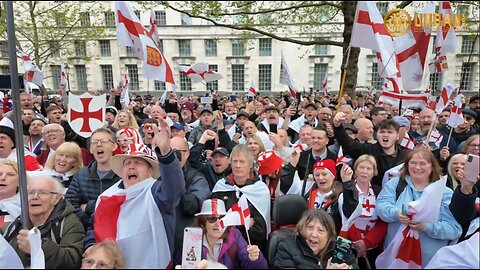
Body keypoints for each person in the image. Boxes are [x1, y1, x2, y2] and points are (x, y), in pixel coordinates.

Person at [85, 117, 185, 268]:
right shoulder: (106, 197)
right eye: (127, 163)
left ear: (150, 171)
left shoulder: (157, 192)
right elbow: (94, 228)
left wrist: (165, 153)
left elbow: (175, 188)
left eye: (138, 163)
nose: (132, 167)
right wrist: (90, 245)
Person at [376, 148, 462, 267]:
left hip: (429, 261)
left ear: (432, 166)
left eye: (423, 163)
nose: (417, 167)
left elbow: (453, 229)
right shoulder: (395, 184)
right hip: (396, 257)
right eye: (413, 163)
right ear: (407, 165)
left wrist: (425, 227)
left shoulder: (444, 192)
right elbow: (381, 206)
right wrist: (397, 213)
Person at [2, 176, 85, 268]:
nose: (35, 197)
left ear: (57, 198)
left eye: (43, 193)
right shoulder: (15, 225)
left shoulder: (69, 223)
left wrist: (37, 247)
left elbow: (73, 261)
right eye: (30, 193)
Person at [176, 199, 268, 269]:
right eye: (212, 219)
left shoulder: (234, 235)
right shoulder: (191, 238)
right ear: (203, 223)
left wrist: (255, 258)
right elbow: (181, 263)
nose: (218, 223)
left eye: (222, 218)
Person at [212, 144, 271, 253]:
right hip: (224, 247)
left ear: (250, 164)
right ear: (230, 162)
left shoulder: (260, 190)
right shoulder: (220, 187)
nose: (238, 165)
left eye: (242, 162)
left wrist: (231, 224)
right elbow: (215, 224)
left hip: (253, 247)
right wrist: (246, 224)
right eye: (235, 161)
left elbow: (260, 232)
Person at [65, 128, 121, 229]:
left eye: (103, 141)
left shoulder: (123, 174)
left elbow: (121, 207)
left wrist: (88, 206)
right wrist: (91, 222)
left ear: (114, 146)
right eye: (94, 142)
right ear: (91, 149)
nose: (99, 144)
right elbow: (70, 204)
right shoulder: (81, 174)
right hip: (86, 231)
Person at [333, 113, 407, 189]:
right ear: (377, 135)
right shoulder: (367, 150)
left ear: (397, 136)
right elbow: (347, 143)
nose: (385, 135)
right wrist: (338, 126)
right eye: (382, 132)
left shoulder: (405, 157)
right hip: (371, 196)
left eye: (389, 132)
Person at [338, 155, 387, 269]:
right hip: (348, 245)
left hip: (372, 246)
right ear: (355, 170)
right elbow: (346, 219)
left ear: (374, 172)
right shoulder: (347, 191)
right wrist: (358, 243)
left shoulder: (379, 192)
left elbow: (384, 221)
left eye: (369, 168)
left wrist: (366, 243)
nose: (364, 172)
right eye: (361, 167)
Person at [274, 209, 358, 269]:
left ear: (329, 235)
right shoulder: (287, 248)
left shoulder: (341, 249)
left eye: (320, 230)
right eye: (310, 227)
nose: (314, 234)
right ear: (301, 229)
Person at [0, 160, 21, 227]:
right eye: (0, 174)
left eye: (10, 174)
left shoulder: (27, 206)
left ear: (20, 181)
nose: (2, 178)